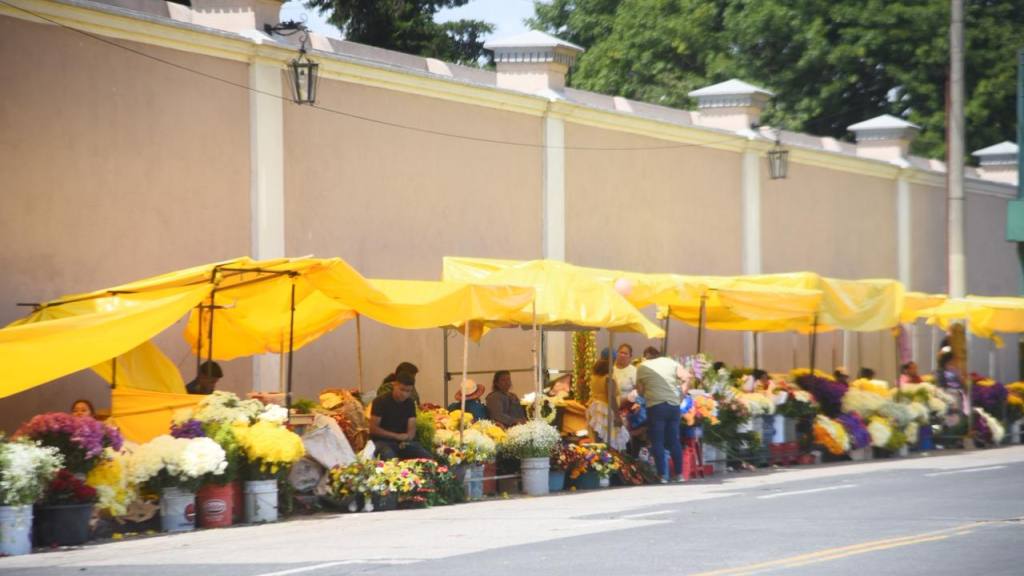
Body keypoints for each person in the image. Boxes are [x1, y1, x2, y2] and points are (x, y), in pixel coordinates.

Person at [636, 350, 687, 483]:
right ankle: (679, 474)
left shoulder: (643, 367)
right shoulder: (671, 362)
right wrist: (681, 395)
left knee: (657, 441)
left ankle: (662, 475)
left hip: (656, 406)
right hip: (673, 406)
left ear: (646, 356)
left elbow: (640, 391)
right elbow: (686, 377)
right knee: (673, 440)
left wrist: (646, 392)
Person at [369, 372, 432, 460]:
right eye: (402, 390)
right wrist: (397, 436)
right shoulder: (380, 401)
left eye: (408, 391)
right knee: (390, 457)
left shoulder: (410, 403)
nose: (404, 394)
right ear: (395, 385)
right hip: (381, 442)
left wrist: (407, 437)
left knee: (427, 458)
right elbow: (373, 429)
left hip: (403, 443)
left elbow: (411, 430)